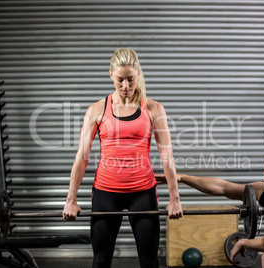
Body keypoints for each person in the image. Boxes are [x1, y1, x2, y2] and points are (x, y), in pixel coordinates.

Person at [62, 48, 183, 268]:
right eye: (120, 80)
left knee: (149, 262)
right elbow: (82, 156)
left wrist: (174, 198)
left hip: (143, 193)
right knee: (100, 261)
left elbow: (167, 156)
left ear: (138, 74)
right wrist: (71, 198)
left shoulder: (154, 109)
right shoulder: (97, 109)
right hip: (106, 193)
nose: (125, 86)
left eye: (131, 79)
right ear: (110, 75)